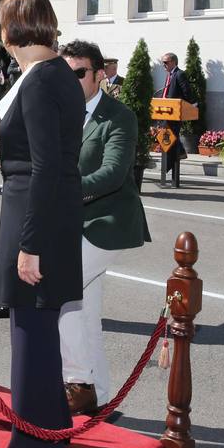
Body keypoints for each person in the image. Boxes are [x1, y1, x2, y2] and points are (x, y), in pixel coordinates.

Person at [0, 0, 84, 448]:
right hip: (40, 210)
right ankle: (50, 432)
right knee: (40, 335)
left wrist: (29, 246)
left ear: (14, 28)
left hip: (35, 217)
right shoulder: (52, 74)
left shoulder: (44, 79)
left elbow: (46, 167)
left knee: (31, 336)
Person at [57, 40, 150, 417]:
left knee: (62, 292)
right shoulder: (61, 112)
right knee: (84, 310)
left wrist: (64, 191)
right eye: (66, 73)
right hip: (73, 223)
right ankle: (102, 398)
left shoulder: (119, 116)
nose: (72, 80)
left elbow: (112, 174)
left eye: (79, 73)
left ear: (98, 75)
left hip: (108, 221)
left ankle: (77, 384)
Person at [155, 52, 194, 188]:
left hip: (175, 113)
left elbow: (187, 93)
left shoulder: (179, 74)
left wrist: (185, 105)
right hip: (167, 113)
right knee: (166, 139)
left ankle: (171, 165)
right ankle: (176, 156)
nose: (163, 65)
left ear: (173, 62)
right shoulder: (170, 75)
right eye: (163, 62)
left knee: (170, 140)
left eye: (165, 62)